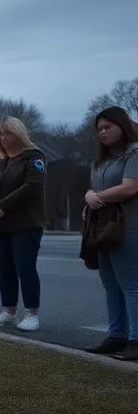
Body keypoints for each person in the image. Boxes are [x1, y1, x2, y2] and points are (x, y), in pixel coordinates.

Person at [0, 116, 46, 332]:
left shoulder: (33, 158)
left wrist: (3, 206)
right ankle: (8, 311)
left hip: (25, 223)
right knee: (5, 269)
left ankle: (31, 314)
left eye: (7, 133)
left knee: (25, 267)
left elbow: (32, 187)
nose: (2, 138)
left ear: (19, 134)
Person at [84, 106, 138, 362]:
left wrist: (97, 198)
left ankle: (136, 340)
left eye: (108, 127)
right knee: (110, 283)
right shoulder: (100, 161)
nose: (103, 132)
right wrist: (89, 196)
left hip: (129, 226)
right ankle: (116, 335)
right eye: (99, 129)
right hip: (103, 229)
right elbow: (91, 189)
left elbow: (129, 188)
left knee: (131, 284)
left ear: (122, 125)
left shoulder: (134, 153)